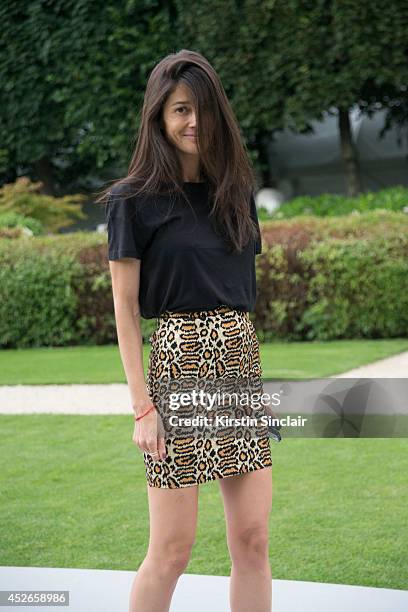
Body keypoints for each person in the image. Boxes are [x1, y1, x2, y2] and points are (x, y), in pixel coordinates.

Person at [102, 49, 279, 612]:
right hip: (178, 364)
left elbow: (237, 291)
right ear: (159, 116)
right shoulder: (133, 201)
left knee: (253, 539)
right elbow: (125, 311)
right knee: (172, 549)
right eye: (179, 109)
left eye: (201, 109)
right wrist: (142, 407)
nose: (192, 121)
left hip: (238, 366)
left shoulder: (236, 191)